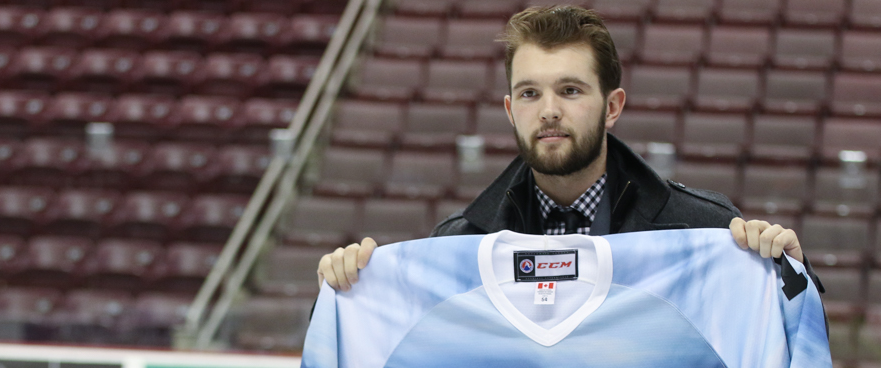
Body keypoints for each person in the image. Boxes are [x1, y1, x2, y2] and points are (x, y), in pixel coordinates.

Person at [317, 4, 816, 293]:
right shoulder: (458, 245)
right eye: (530, 93)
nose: (549, 110)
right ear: (511, 110)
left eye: (571, 91)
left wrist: (792, 274)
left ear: (612, 106)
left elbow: (790, 352)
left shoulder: (705, 230)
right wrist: (348, 289)